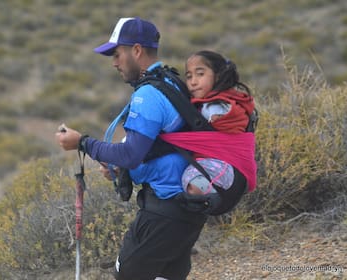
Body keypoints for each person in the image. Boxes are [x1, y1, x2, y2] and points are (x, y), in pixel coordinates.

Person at [56, 17, 207, 280]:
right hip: (186, 209)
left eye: (117, 54)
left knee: (127, 274)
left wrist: (82, 143)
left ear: (136, 50)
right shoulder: (171, 82)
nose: (114, 63)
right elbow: (160, 147)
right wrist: (120, 169)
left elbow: (131, 154)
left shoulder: (148, 95)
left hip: (165, 210)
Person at [181, 50, 255, 196]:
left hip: (223, 166)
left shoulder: (215, 105)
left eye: (200, 74)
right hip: (221, 167)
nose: (193, 82)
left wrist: (219, 117)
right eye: (189, 77)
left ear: (218, 76)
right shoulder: (210, 103)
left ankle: (213, 199)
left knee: (192, 180)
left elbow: (228, 118)